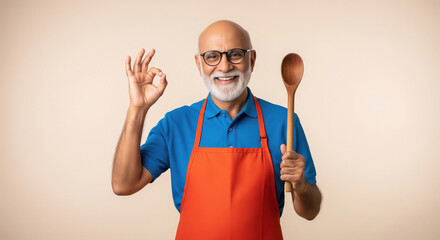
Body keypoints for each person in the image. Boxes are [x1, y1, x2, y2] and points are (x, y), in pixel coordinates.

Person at [112, 20, 322, 240]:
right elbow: (123, 185)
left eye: (236, 54)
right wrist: (137, 108)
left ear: (252, 59)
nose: (224, 67)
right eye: (212, 56)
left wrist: (302, 185)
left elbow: (310, 211)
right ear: (198, 63)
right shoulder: (176, 124)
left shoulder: (283, 121)